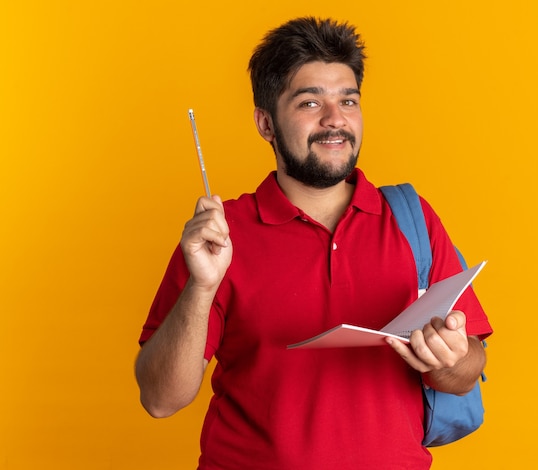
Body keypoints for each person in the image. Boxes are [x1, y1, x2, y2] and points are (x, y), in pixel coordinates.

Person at [135, 16, 493, 469]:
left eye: (348, 100)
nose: (335, 120)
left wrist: (450, 357)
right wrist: (201, 287)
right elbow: (161, 399)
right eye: (309, 102)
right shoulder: (221, 235)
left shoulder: (413, 218)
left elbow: (463, 376)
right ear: (266, 124)